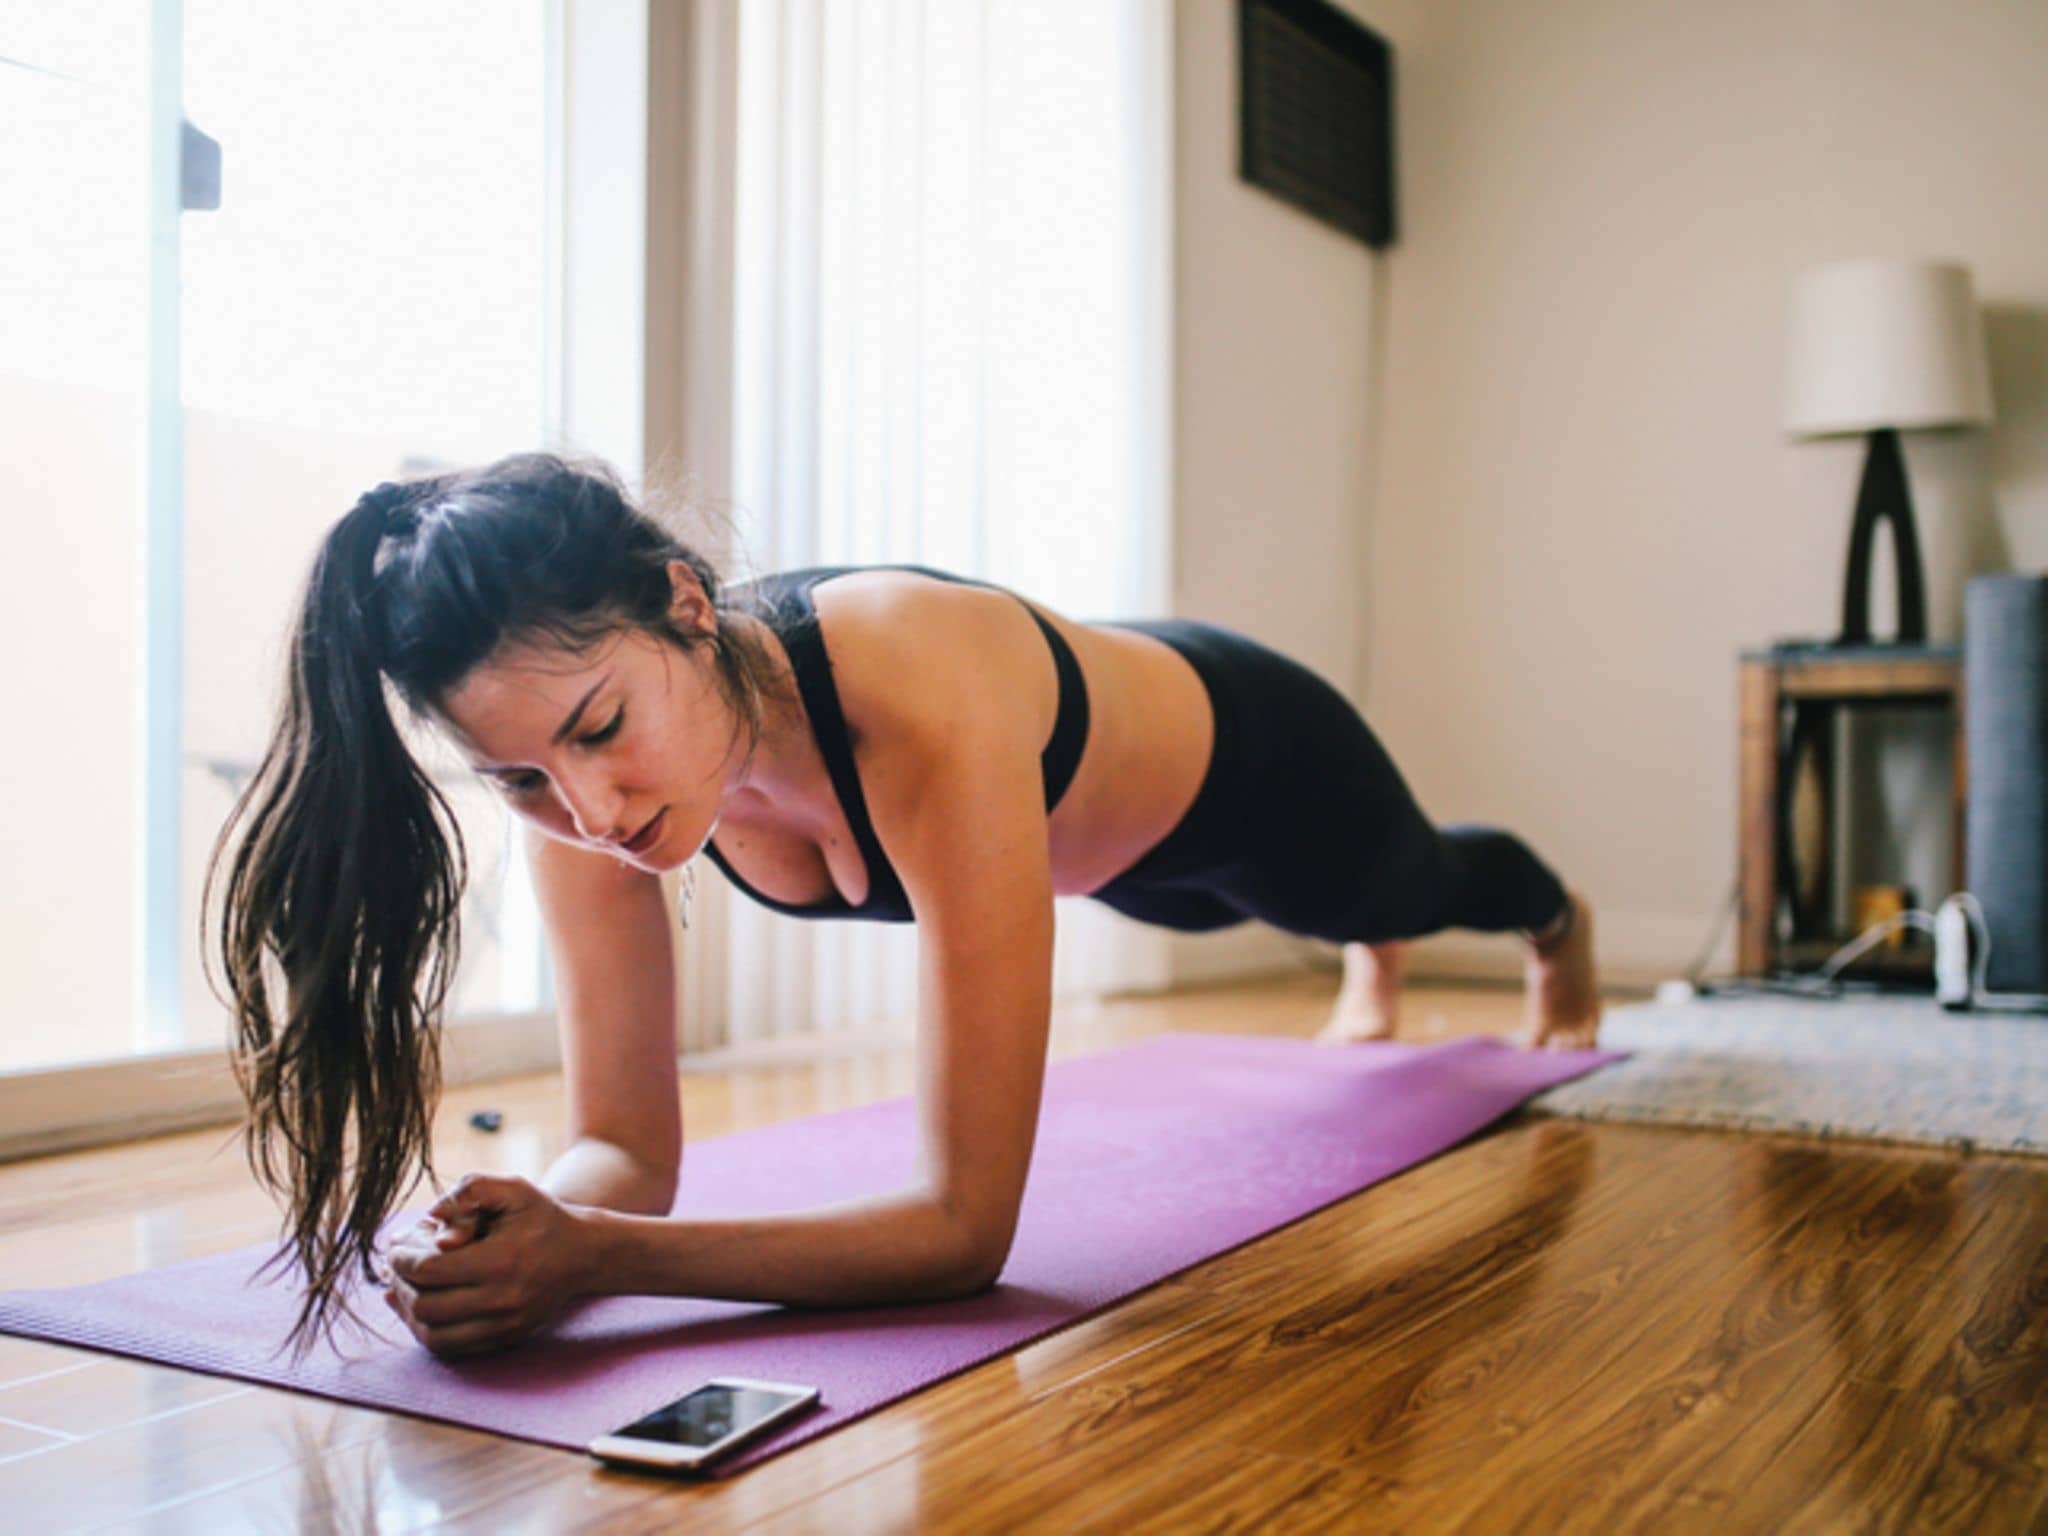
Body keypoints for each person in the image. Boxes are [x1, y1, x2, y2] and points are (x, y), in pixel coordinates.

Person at [207, 451, 1600, 1361]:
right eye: (517, 776)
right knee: (1212, 916)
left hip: (1255, 766)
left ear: (687, 606)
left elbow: (961, 1227)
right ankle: (1374, 965)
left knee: (1403, 881)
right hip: (1103, 860)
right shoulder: (571, 791)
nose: (591, 812)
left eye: (602, 726)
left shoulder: (915, 689)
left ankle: (1551, 922)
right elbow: (626, 1150)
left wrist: (604, 1269)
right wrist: (530, 1227)